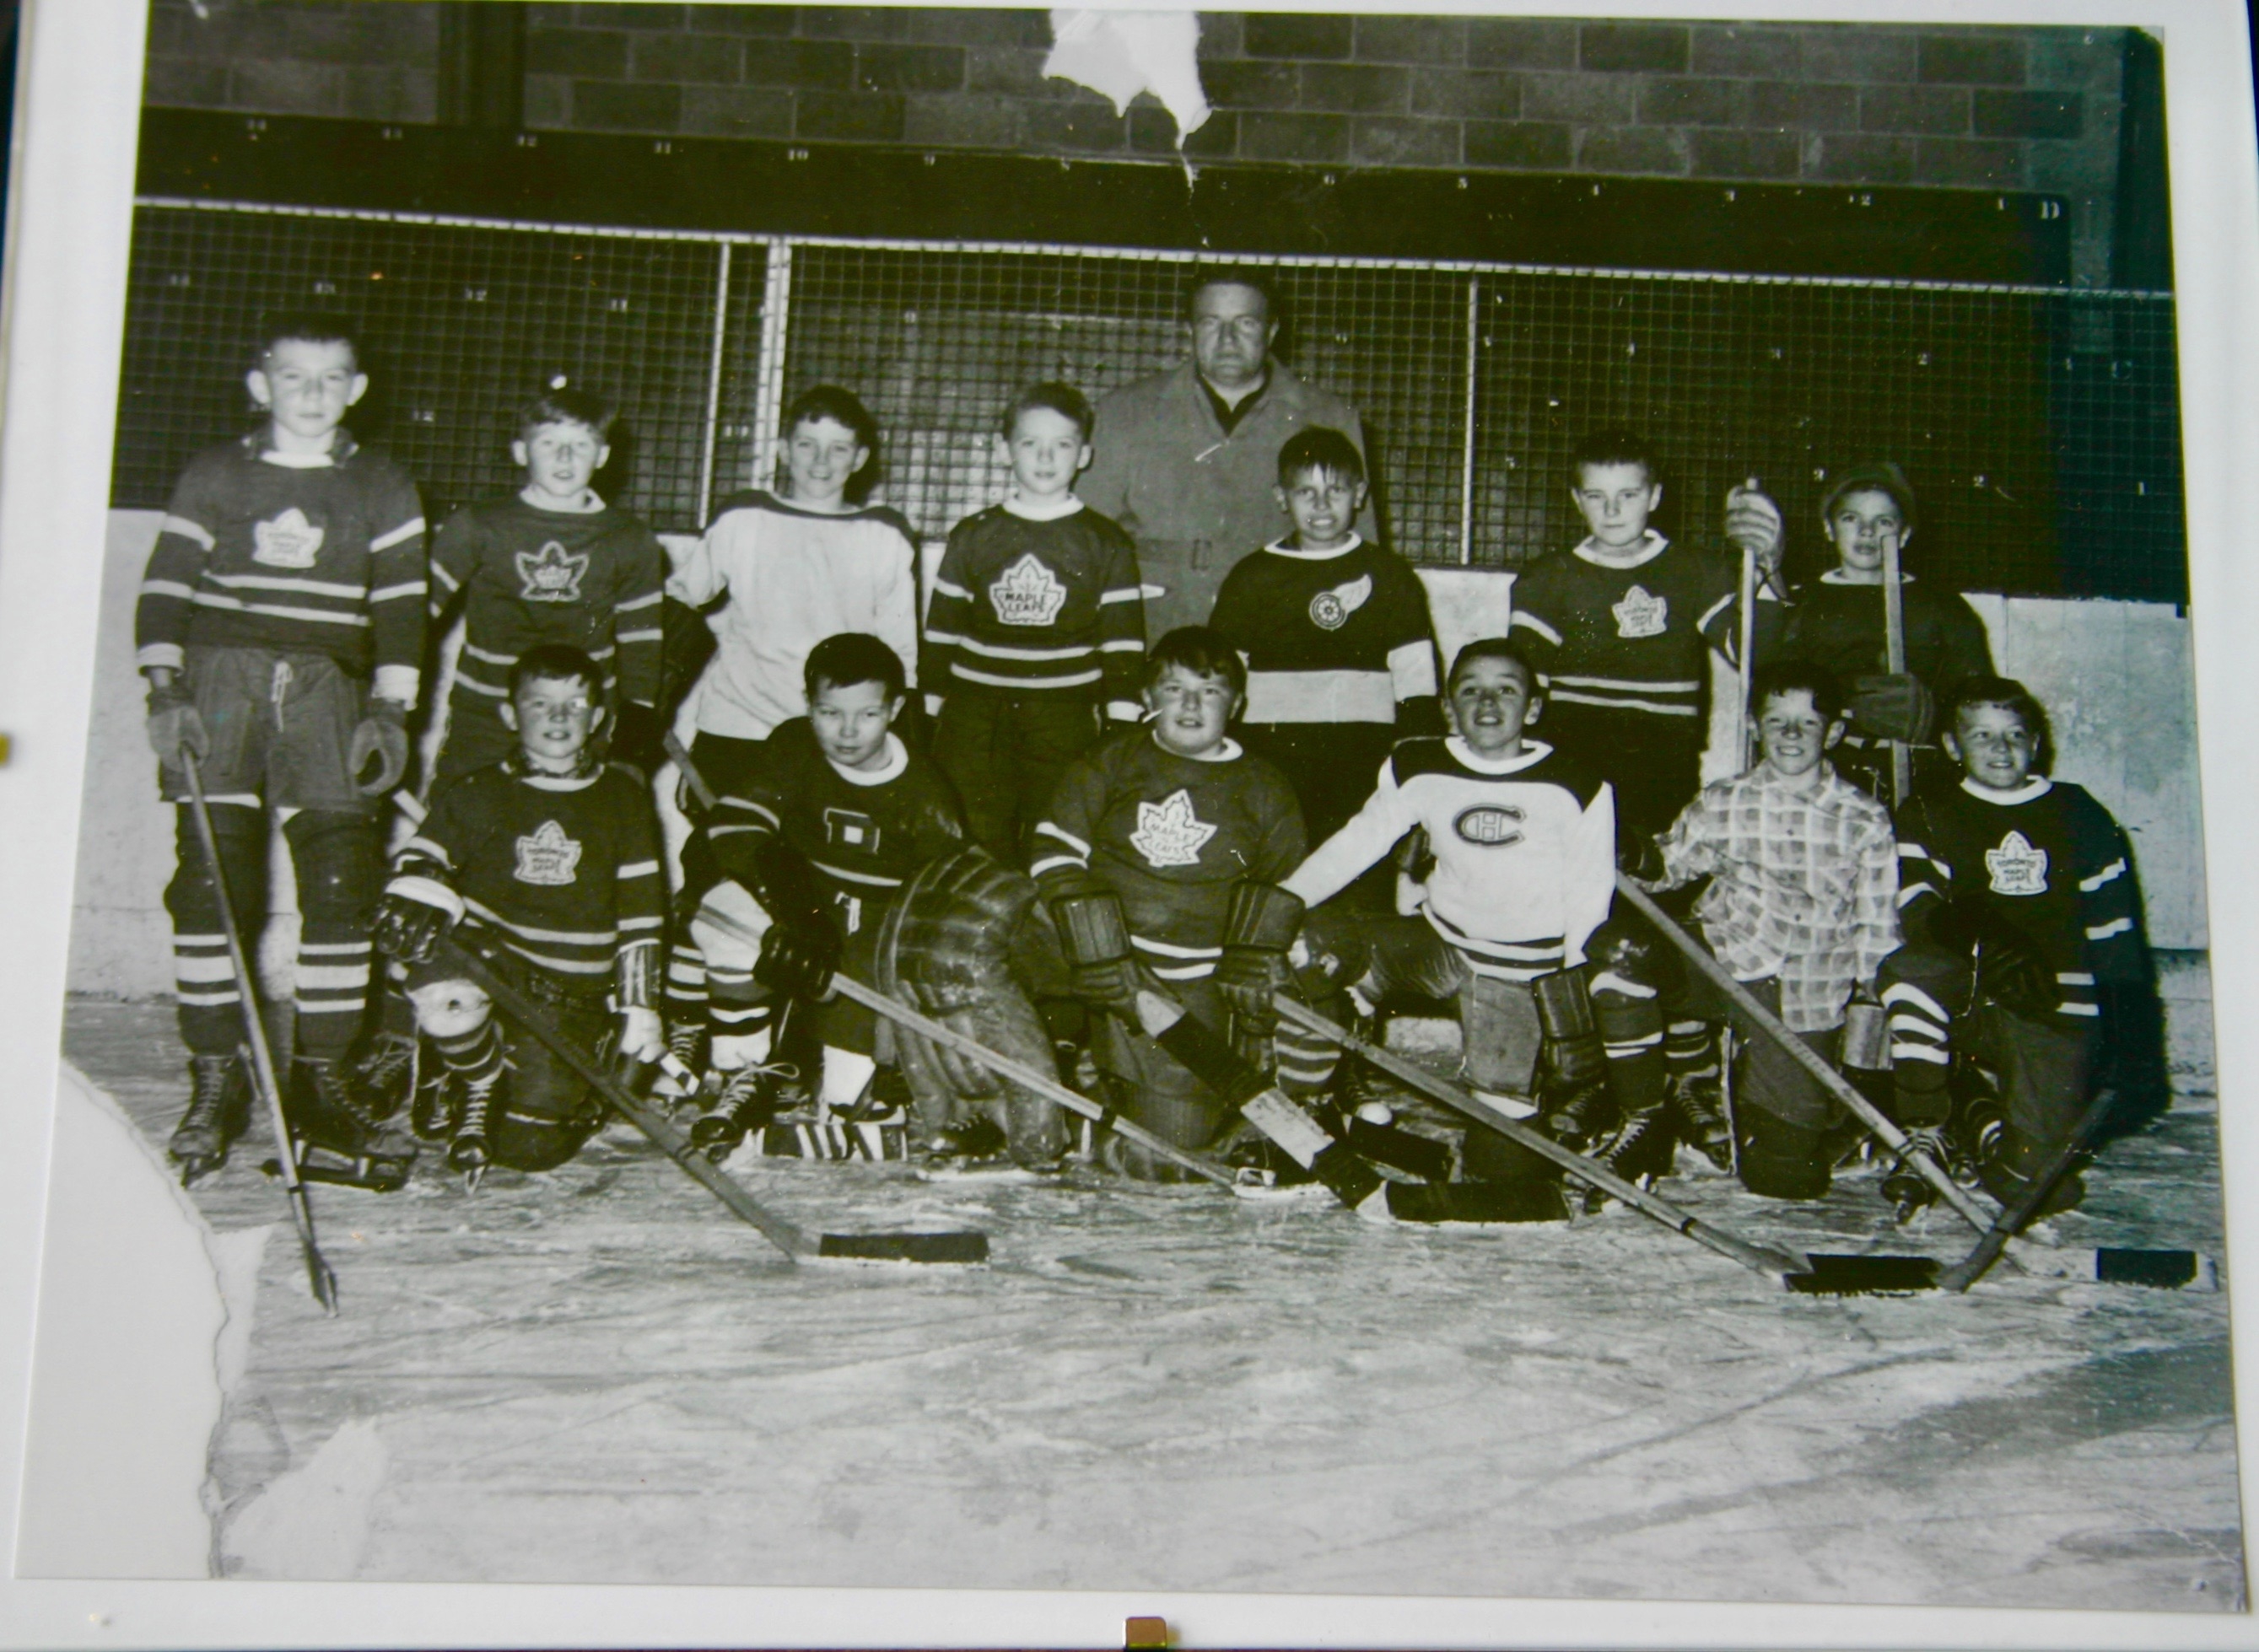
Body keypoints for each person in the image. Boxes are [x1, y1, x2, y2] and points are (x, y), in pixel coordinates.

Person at [137, 311, 428, 1185]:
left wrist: (391, 708)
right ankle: (218, 1076)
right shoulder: (217, 471)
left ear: (357, 390)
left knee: (342, 885)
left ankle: (320, 1081)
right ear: (259, 384)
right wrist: (165, 686)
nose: (313, 394)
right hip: (222, 680)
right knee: (209, 884)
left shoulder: (381, 482)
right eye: (294, 376)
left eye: (332, 377)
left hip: (330, 686)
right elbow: (165, 587)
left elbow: (403, 604)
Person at [1275, 639, 1620, 1205]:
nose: (1488, 702)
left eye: (1506, 689)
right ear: (1447, 708)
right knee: (1307, 939)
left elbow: (1590, 896)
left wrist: (1573, 1001)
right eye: (1470, 690)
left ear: (1532, 707)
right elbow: (1356, 844)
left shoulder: (1576, 783)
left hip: (1518, 969)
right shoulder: (1419, 764)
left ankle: (1563, 1112)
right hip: (1436, 945)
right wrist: (1282, 903)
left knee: (1502, 1169)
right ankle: (1331, 1087)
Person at [657, 385, 921, 1079]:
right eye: (806, 444)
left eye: (838, 449)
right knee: (713, 875)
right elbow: (680, 606)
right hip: (739, 726)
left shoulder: (883, 535)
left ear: (861, 458)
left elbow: (901, 657)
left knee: (804, 881)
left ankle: (788, 1039)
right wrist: (642, 699)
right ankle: (690, 1028)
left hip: (827, 739)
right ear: (781, 448)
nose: (820, 460)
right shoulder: (743, 518)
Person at [369, 645, 668, 1181]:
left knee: (529, 1148)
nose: (558, 717)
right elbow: (423, 854)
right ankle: (476, 1073)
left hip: (569, 990)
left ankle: (502, 1062)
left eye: (575, 704)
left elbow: (642, 914)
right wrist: (418, 883)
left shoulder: (622, 798)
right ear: (510, 714)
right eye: (539, 704)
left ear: (598, 717)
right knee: (439, 979)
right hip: (491, 965)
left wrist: (640, 1006)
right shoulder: (480, 790)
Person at [1879, 678, 2166, 1218]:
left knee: (2036, 1188)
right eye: (1982, 735)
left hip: (2054, 1000)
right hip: (1974, 989)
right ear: (1951, 746)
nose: (2000, 749)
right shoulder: (1928, 810)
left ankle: (1979, 1118)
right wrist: (1985, 936)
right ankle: (1926, 1126)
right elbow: (1916, 903)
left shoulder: (2079, 812)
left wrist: (2132, 1036)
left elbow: (2115, 934)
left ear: (2036, 743)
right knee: (1909, 968)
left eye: (2014, 735)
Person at [1615, 663, 1900, 1197]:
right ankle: (1664, 1098)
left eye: (1807, 723)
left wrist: (1872, 993)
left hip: (1806, 987)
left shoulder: (1863, 817)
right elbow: (1665, 867)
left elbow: (1877, 920)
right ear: (1753, 727)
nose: (1791, 735)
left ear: (1834, 732)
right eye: (1777, 721)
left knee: (1783, 1177)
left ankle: (1819, 1112)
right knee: (1621, 954)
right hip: (1723, 956)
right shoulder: (1728, 800)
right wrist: (1627, 849)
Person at [1030, 627, 1307, 1170]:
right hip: (1098, 960)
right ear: (1147, 700)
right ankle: (1052, 1066)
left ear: (1238, 704)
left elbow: (1286, 883)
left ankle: (1107, 1110)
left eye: (1209, 690)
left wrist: (1252, 960)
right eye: (1174, 688)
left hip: (1191, 978)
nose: (1190, 704)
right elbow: (1052, 852)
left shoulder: (1263, 785)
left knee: (1181, 1138)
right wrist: (1099, 945)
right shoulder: (1110, 762)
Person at [685, 632, 971, 1157]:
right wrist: (798, 911)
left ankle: (852, 1095)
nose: (846, 731)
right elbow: (735, 829)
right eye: (828, 712)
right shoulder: (794, 744)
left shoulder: (925, 792)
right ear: (809, 707)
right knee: (721, 909)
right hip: (805, 912)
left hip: (873, 939)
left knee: (850, 1078)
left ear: (895, 710)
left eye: (866, 715)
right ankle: (741, 1070)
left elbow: (944, 898)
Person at [1080, 268, 1372, 639]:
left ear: (1272, 332)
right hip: (1151, 631)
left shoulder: (1329, 418)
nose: (1228, 339)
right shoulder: (1125, 412)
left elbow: (1361, 557)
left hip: (1278, 629)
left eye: (1246, 323)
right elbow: (1084, 542)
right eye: (1211, 323)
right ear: (1190, 331)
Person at [925, 381, 1146, 864]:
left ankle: (1039, 934)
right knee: (977, 834)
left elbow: (1122, 641)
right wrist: (929, 706)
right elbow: (942, 628)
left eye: (1062, 444)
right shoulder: (974, 534)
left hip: (1062, 712)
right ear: (1006, 451)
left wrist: (1120, 720)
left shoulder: (1105, 542)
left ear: (1085, 455)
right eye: (1030, 443)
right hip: (976, 712)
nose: (1046, 458)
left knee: (1054, 830)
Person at [1506, 429, 1745, 851]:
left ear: (1654, 497)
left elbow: (1752, 654)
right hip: (1575, 743)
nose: (1612, 510)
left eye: (1629, 495)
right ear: (1577, 500)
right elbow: (1525, 684)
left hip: (1664, 750)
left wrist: (1766, 574)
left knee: (1651, 875)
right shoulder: (1548, 577)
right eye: (1596, 496)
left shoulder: (1696, 572)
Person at [1207, 426, 1441, 849]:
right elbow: (1223, 668)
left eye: (1335, 489)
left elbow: (1415, 667)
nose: (1321, 504)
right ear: (1281, 497)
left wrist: (1417, 742)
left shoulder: (1388, 573)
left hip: (1364, 745)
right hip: (1273, 744)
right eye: (1304, 492)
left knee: (1355, 854)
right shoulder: (1253, 575)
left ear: (1360, 493)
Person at [423, 381, 667, 783]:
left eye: (582, 445)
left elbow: (642, 641)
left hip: (580, 717)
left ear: (603, 455)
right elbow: (417, 613)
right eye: (549, 443)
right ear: (520, 451)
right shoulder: (478, 524)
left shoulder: (630, 538)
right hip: (486, 714)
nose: (565, 457)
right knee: (461, 826)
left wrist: (637, 717)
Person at [1733, 463, 1994, 800]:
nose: (1867, 531)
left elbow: (1978, 697)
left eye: (1884, 521)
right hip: (1822, 771)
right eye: (1851, 518)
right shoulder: (1800, 603)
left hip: (1915, 770)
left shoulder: (1941, 606)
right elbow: (1772, 685)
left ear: (1904, 534)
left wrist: (1932, 712)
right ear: (1829, 528)